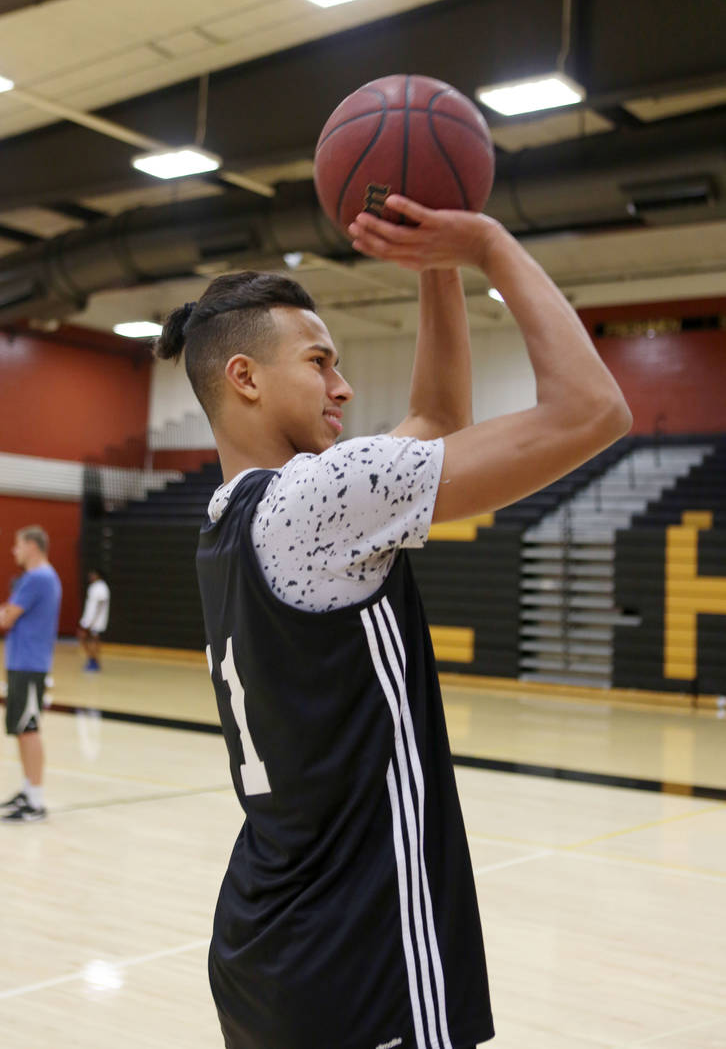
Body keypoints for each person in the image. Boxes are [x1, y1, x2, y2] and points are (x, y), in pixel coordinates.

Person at [154, 195, 631, 1049]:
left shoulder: (229, 521)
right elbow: (594, 411)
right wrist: (485, 242)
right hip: (361, 956)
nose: (342, 385)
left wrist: (433, 265)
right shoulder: (318, 500)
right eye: (320, 361)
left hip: (267, 945)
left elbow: (439, 421)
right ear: (246, 378)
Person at [0, 525, 62, 824]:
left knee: (29, 728)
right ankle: (28, 791)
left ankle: (35, 801)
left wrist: (5, 612)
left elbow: (8, 616)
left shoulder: (37, 578)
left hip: (29, 664)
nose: (15, 551)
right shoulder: (42, 578)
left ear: (32, 547)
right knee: (24, 729)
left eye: (18, 546)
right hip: (24, 663)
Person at [77, 568, 110, 671]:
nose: (91, 576)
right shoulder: (93, 587)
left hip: (95, 622)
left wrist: (93, 621)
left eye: (93, 574)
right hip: (88, 620)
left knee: (94, 641)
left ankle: (95, 661)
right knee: (83, 637)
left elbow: (100, 605)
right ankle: (92, 659)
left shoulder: (101, 587)